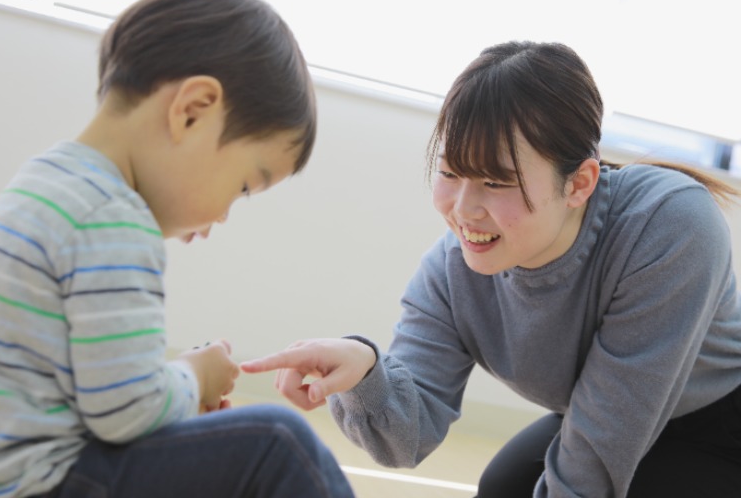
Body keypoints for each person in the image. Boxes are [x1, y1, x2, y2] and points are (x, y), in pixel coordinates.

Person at [241, 40, 741, 497]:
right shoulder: (450, 272)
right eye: (450, 172)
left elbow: (593, 466)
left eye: (496, 182)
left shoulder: (670, 225)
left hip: (721, 427)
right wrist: (364, 372)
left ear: (579, 184)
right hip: (601, 413)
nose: (463, 210)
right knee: (504, 486)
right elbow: (406, 437)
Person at [0, 0, 355, 497]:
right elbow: (127, 413)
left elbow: (90, 394)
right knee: (277, 442)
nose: (222, 216)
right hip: (42, 483)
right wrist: (195, 376)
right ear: (192, 110)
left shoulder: (46, 182)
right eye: (243, 186)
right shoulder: (112, 219)